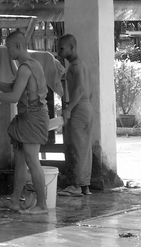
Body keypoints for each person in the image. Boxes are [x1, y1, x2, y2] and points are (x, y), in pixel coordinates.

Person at [0, 31, 49, 215]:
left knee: (33, 161)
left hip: (33, 118)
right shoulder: (29, 66)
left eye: (8, 47)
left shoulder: (26, 68)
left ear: (18, 46)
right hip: (26, 118)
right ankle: (15, 201)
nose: (7, 51)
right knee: (19, 160)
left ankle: (42, 205)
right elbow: (11, 86)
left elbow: (14, 96)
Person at [57, 34, 93, 197]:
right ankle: (84, 185)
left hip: (79, 108)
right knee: (84, 147)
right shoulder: (78, 64)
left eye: (62, 48)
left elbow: (79, 89)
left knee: (76, 147)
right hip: (85, 107)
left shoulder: (76, 65)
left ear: (72, 47)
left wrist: (69, 108)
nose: (59, 52)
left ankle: (76, 185)